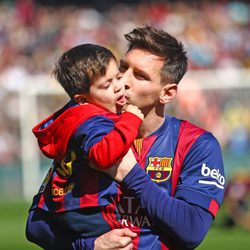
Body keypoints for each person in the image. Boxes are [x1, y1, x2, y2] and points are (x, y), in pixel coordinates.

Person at [27, 25, 226, 250]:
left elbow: (191, 230)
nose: (123, 81)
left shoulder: (196, 144)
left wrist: (132, 176)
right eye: (123, 67)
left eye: (140, 75)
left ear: (167, 93)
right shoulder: (89, 133)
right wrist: (88, 245)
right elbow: (36, 224)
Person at [25, 43, 144, 249]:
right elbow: (102, 156)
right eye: (106, 85)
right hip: (90, 207)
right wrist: (130, 121)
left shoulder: (72, 117)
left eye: (117, 77)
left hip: (61, 206)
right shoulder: (94, 121)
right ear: (82, 99)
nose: (118, 86)